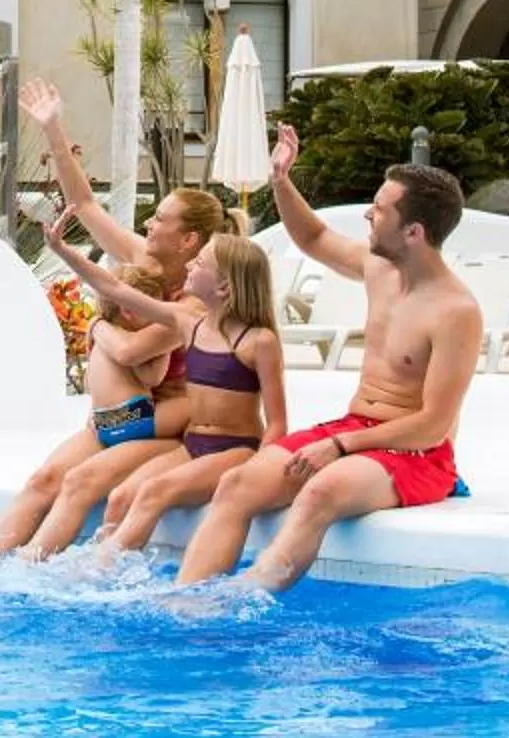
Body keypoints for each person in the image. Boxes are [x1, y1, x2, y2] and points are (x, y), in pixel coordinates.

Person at [174, 126, 479, 589]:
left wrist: (337, 448)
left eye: (379, 210)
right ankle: (185, 604)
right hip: (355, 429)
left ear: (414, 232)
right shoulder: (379, 268)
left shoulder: (456, 311)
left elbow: (434, 425)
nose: (367, 216)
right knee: (236, 485)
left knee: (320, 491)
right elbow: (314, 237)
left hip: (417, 453)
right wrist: (280, 180)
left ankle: (242, 601)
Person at [0, 78, 226, 556]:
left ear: (189, 240)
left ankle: (32, 571)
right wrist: (53, 130)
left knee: (80, 482)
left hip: (167, 423)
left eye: (161, 218)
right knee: (44, 478)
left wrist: (95, 326)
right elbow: (86, 204)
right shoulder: (141, 259)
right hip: (119, 415)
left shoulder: (199, 299)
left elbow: (134, 349)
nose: (149, 222)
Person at [34, 227, 286, 564]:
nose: (189, 266)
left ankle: (94, 572)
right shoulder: (187, 321)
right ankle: (110, 572)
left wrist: (257, 471)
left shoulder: (259, 342)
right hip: (193, 445)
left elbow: (278, 422)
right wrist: (61, 249)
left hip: (235, 449)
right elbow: (114, 289)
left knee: (154, 491)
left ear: (224, 286)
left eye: (200, 262)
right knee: (122, 495)